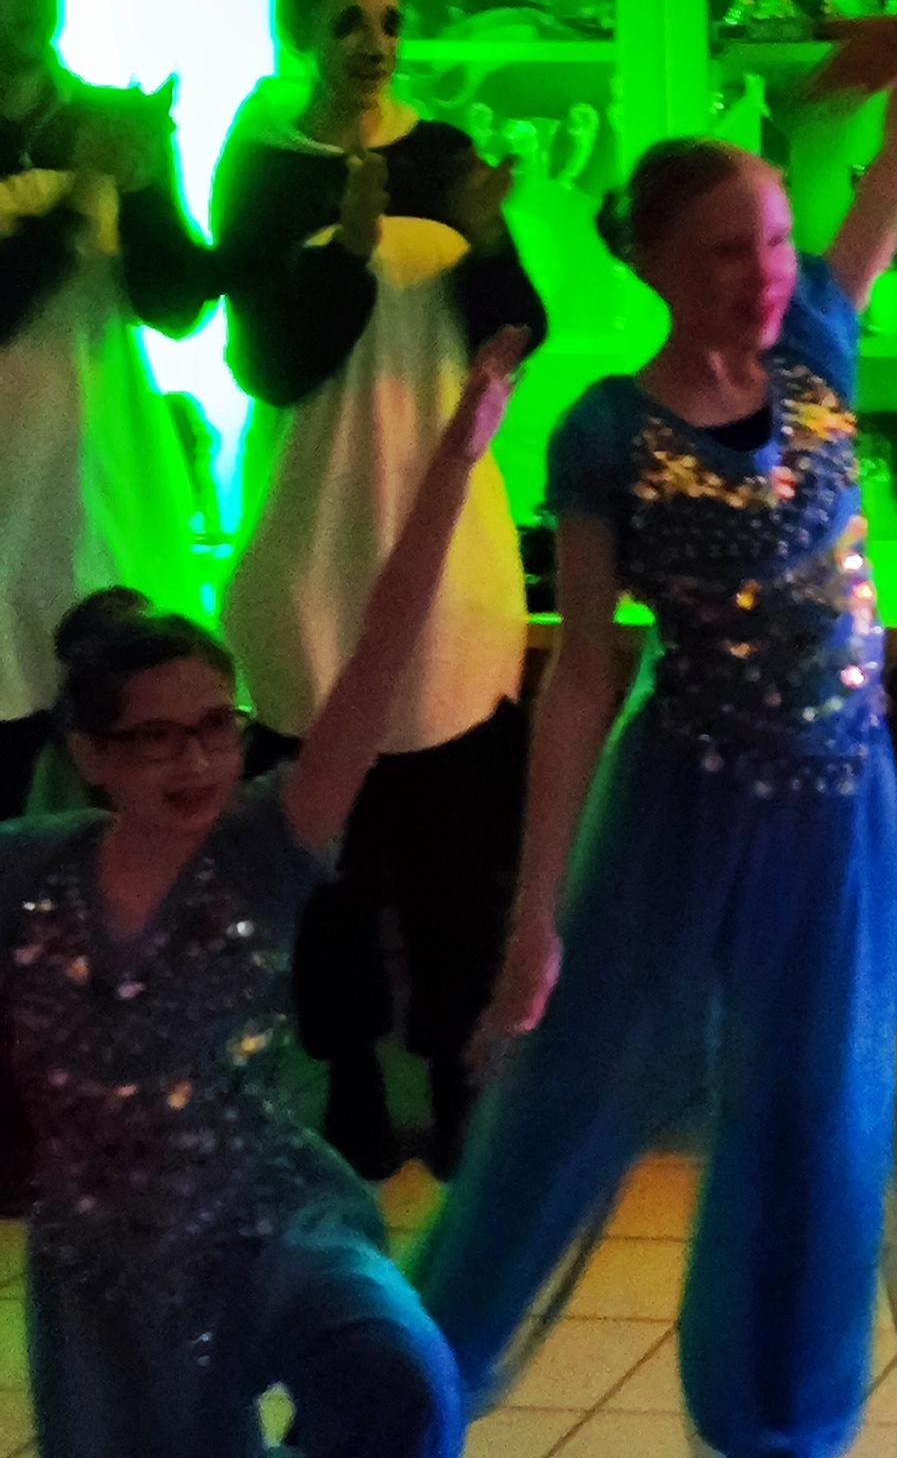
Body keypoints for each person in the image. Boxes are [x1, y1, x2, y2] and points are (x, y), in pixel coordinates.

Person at [411, 0, 897, 1458]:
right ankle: (401, 1390)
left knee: (820, 1118)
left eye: (777, 242)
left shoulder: (822, 355)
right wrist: (536, 913)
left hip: (840, 801)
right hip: (688, 795)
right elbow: (583, 678)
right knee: (570, 1094)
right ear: (655, 260)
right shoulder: (605, 427)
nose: (764, 273)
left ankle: (779, 1418)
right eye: (729, 251)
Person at [0, 328, 524, 1458]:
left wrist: (452, 467)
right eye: (155, 739)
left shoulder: (264, 845)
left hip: (267, 1220)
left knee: (400, 1378)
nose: (195, 761)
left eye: (214, 727)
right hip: (108, 1269)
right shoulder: (26, 871)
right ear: (89, 753)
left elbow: (380, 652)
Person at [213, 0, 543, 1180]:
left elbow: (516, 335)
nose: (375, 42)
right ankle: (349, 1077)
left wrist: (489, 242)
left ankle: (455, 1075)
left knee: (458, 849)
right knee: (327, 851)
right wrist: (345, 254)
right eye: (349, 21)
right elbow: (267, 365)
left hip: (444, 537)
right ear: (302, 31)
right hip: (315, 542)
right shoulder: (264, 171)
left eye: (391, 20)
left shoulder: (445, 155)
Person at [0, 0, 222, 820]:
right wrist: (84, 188)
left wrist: (145, 185)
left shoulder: (106, 113)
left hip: (100, 496)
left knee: (131, 793)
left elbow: (178, 307)